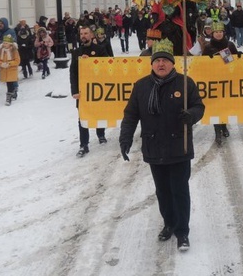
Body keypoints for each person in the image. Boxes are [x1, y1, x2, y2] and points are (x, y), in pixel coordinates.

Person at [119, 39, 205, 252]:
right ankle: (169, 223)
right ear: (152, 64)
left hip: (179, 146)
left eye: (165, 61)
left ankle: (182, 231)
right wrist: (125, 139)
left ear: (173, 63)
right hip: (153, 145)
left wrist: (191, 116)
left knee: (179, 190)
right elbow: (131, 115)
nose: (161, 64)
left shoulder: (186, 83)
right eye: (157, 61)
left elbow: (199, 106)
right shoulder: (141, 86)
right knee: (163, 191)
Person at [70, 25, 110, 157]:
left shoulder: (100, 49)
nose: (83, 36)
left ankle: (101, 134)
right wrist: (74, 90)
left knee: (99, 113)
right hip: (82, 92)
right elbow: (73, 73)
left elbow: (107, 67)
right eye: (81, 34)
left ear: (91, 35)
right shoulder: (76, 52)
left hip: (97, 89)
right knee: (83, 117)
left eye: (86, 33)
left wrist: (92, 62)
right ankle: (84, 144)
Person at [202, 21, 238, 145]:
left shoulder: (230, 45)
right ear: (212, 34)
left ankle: (224, 126)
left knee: (225, 105)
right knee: (215, 107)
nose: (218, 34)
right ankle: (217, 131)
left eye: (220, 32)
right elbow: (201, 64)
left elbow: (234, 63)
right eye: (216, 32)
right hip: (213, 81)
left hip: (227, 80)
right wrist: (207, 61)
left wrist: (238, 56)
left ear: (224, 33)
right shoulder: (208, 47)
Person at [0, 34, 20, 105]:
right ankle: (14, 92)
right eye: (4, 43)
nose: (4, 44)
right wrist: (1, 64)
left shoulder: (14, 51)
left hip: (12, 70)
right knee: (9, 83)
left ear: (10, 44)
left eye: (6, 43)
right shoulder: (1, 50)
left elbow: (17, 61)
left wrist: (9, 63)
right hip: (4, 70)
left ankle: (8, 98)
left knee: (9, 83)